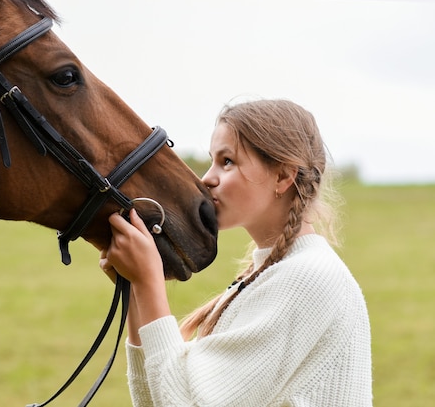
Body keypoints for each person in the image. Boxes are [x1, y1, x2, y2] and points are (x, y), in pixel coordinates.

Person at [99, 99, 372, 406]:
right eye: (212, 161)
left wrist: (149, 283)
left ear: (283, 177)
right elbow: (158, 399)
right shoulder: (275, 274)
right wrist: (137, 288)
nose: (207, 178)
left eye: (227, 161)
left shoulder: (307, 279)